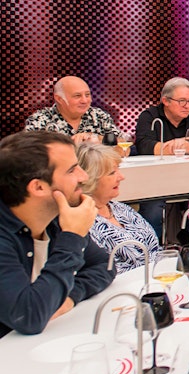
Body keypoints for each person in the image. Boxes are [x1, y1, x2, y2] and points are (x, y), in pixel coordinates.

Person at [0, 131, 114, 338]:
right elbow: (28, 317)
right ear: (38, 187)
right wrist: (72, 236)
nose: (84, 176)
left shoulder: (54, 219)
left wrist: (69, 297)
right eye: (72, 170)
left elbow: (105, 265)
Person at [134, 77, 189, 238]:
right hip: (155, 181)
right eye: (182, 101)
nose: (187, 106)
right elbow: (143, 146)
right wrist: (176, 145)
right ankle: (151, 252)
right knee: (153, 212)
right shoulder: (150, 117)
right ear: (165, 101)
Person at [76, 143, 161, 274]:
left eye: (118, 170)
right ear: (90, 178)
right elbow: (104, 271)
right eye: (112, 173)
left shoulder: (120, 209)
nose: (121, 177)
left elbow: (155, 248)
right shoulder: (83, 222)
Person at [25, 76, 118, 142]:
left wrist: (97, 138)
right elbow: (31, 153)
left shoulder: (99, 115)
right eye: (77, 96)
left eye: (87, 95)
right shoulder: (40, 119)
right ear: (59, 99)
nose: (85, 100)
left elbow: (123, 147)